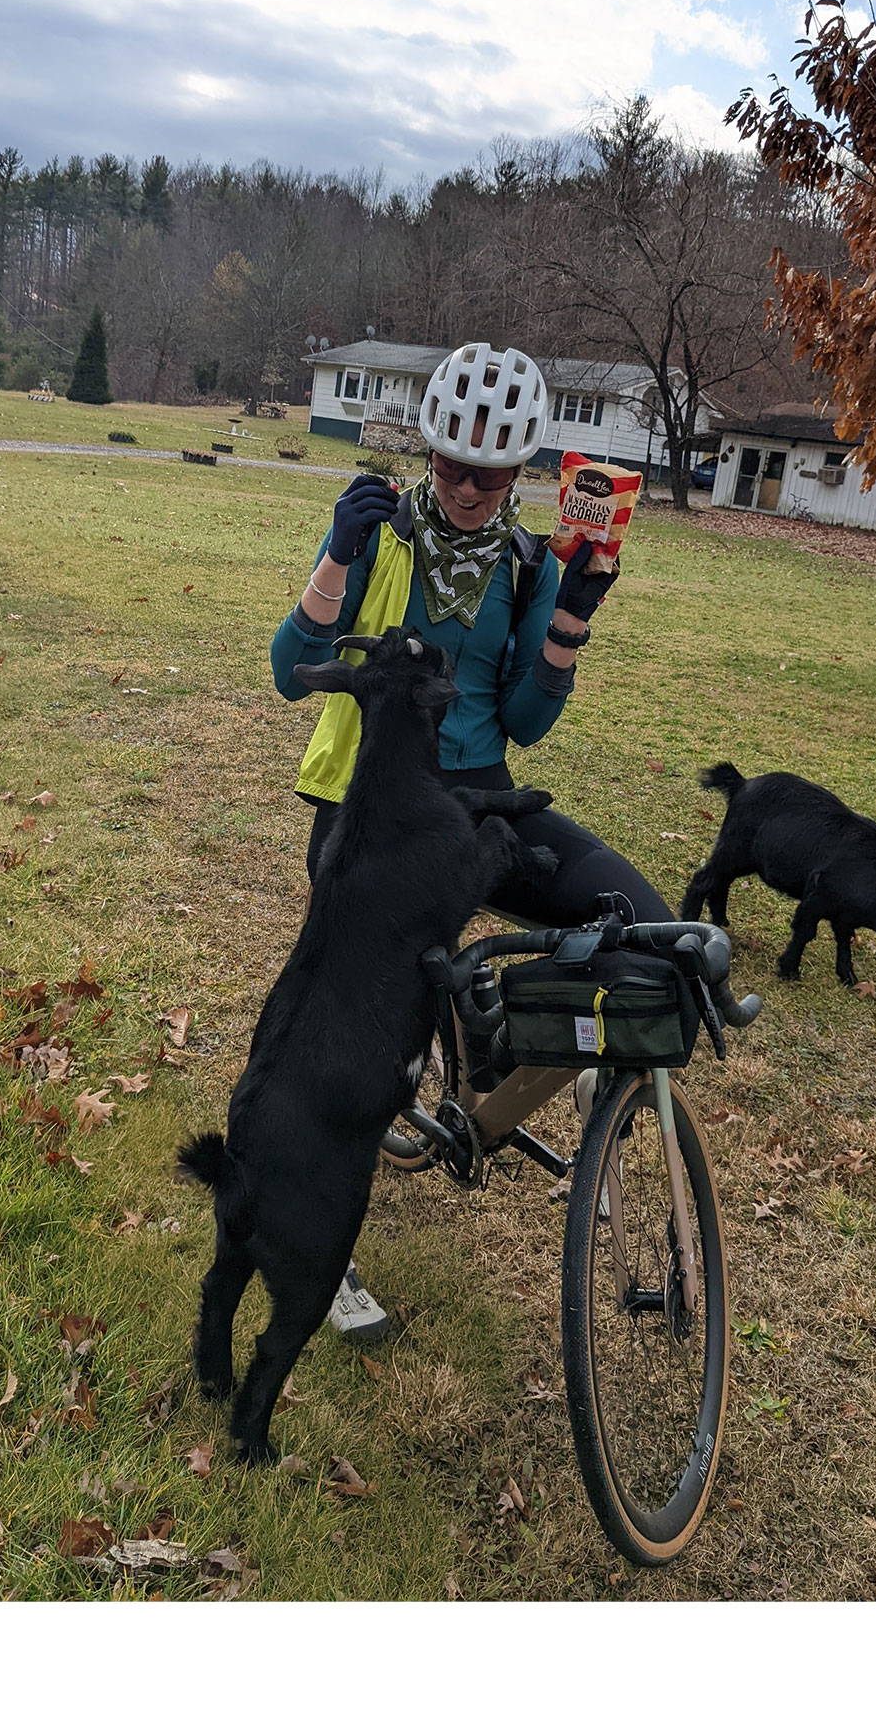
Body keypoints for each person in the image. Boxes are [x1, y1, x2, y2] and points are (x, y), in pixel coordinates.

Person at [269, 342, 675, 1338]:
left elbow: (527, 721)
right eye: (448, 465)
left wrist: (569, 620)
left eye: (486, 474)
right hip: (370, 808)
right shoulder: (380, 533)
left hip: (482, 806)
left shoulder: (530, 560)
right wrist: (333, 556)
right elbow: (291, 668)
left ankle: (539, 1075)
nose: (462, 487)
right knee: (365, 1036)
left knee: (647, 927)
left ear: (519, 473)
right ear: (429, 453)